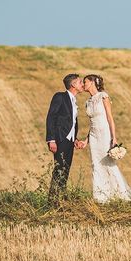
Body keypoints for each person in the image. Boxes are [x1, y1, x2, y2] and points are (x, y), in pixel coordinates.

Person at [79, 74, 131, 204]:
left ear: (93, 83)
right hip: (94, 137)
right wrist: (86, 140)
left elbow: (110, 118)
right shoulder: (87, 102)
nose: (83, 85)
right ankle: (101, 197)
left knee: (108, 163)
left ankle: (120, 193)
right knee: (96, 164)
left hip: (105, 134)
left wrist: (114, 138)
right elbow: (92, 124)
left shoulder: (103, 96)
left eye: (85, 82)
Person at [45, 73, 84, 205]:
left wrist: (75, 139)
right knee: (59, 169)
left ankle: (60, 198)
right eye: (80, 82)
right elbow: (51, 117)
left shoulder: (74, 100)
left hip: (70, 141)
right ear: (73, 85)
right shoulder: (60, 97)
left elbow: (70, 122)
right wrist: (51, 139)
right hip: (60, 140)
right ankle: (52, 201)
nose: (82, 84)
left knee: (66, 169)